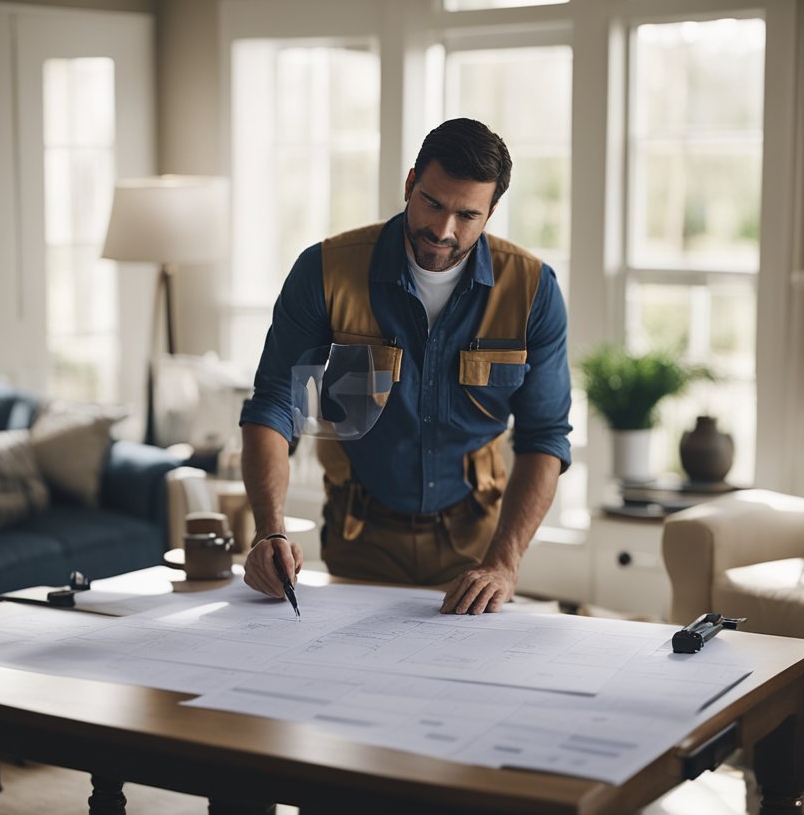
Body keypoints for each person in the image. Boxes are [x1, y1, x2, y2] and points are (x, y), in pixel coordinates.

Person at [238, 117, 572, 615]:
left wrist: (503, 562)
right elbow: (273, 406)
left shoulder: (532, 291)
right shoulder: (324, 271)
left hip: (476, 549)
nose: (443, 231)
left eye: (466, 215)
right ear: (410, 182)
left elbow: (544, 436)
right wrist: (270, 529)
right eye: (432, 203)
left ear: (492, 211)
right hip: (359, 537)